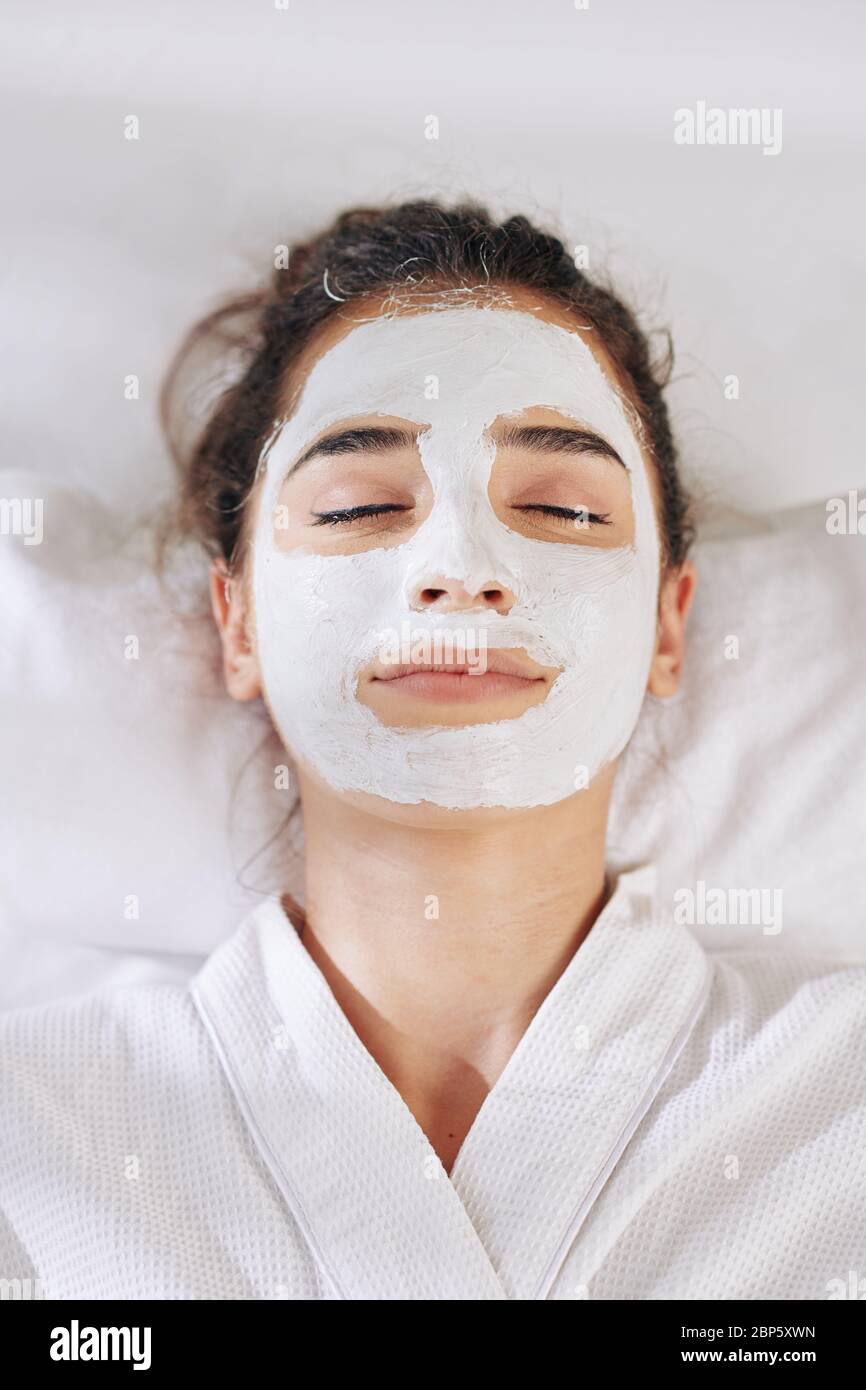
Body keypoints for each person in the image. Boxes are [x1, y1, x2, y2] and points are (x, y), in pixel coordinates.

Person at [1, 201, 863, 1301]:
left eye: (560, 507)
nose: (460, 564)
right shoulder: (35, 1139)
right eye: (361, 506)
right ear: (239, 624)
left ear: (665, 624)